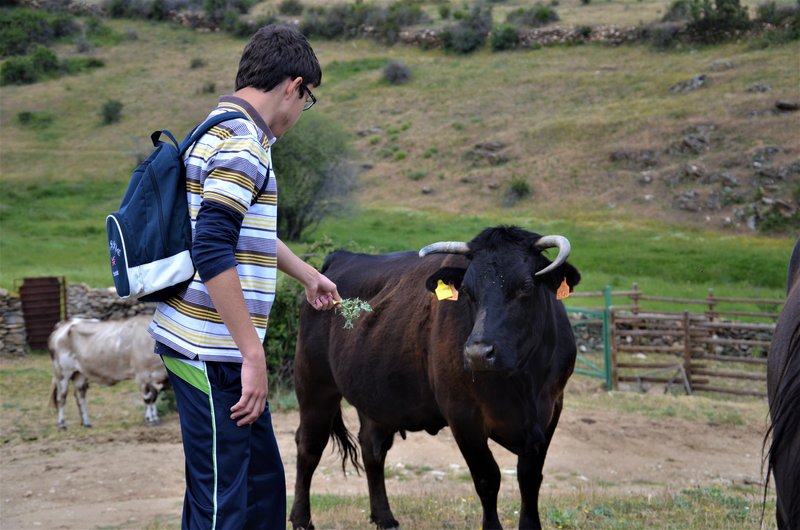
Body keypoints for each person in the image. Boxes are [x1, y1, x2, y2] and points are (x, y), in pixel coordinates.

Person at [148, 24, 339, 530]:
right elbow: (211, 246)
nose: (301, 113)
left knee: (259, 489)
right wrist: (253, 355)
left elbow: (236, 230)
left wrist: (306, 275)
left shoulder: (220, 126)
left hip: (216, 348)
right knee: (222, 506)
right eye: (307, 99)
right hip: (212, 354)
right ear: (294, 86)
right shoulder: (243, 145)